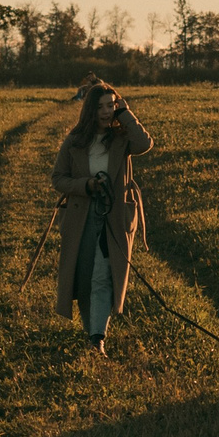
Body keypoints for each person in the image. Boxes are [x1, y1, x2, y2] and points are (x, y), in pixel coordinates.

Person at [50, 78, 154, 355]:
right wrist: (87, 185)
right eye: (101, 107)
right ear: (90, 110)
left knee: (104, 274)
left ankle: (97, 338)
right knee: (86, 275)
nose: (107, 112)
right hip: (81, 217)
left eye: (111, 105)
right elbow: (58, 179)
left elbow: (145, 143)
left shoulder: (122, 137)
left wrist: (126, 113)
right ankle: (92, 332)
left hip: (115, 216)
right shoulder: (75, 141)